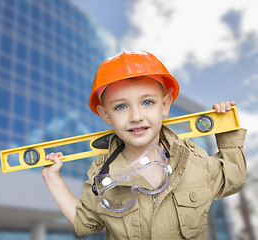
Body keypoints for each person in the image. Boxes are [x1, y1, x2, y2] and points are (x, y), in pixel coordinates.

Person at [42, 51, 247, 239]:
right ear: (106, 114)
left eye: (147, 102)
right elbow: (84, 224)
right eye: (121, 106)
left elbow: (233, 178)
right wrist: (53, 179)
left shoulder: (191, 159)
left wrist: (226, 130)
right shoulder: (102, 176)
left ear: (165, 105)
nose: (136, 116)